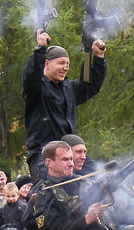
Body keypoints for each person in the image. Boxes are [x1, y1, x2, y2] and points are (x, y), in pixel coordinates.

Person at [22, 30, 106, 177]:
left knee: (102, 176)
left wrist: (97, 57)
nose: (65, 67)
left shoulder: (68, 88)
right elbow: (31, 76)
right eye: (61, 63)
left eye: (67, 64)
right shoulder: (36, 88)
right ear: (46, 64)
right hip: (43, 154)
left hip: (69, 152)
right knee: (53, 186)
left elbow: (89, 86)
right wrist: (40, 49)